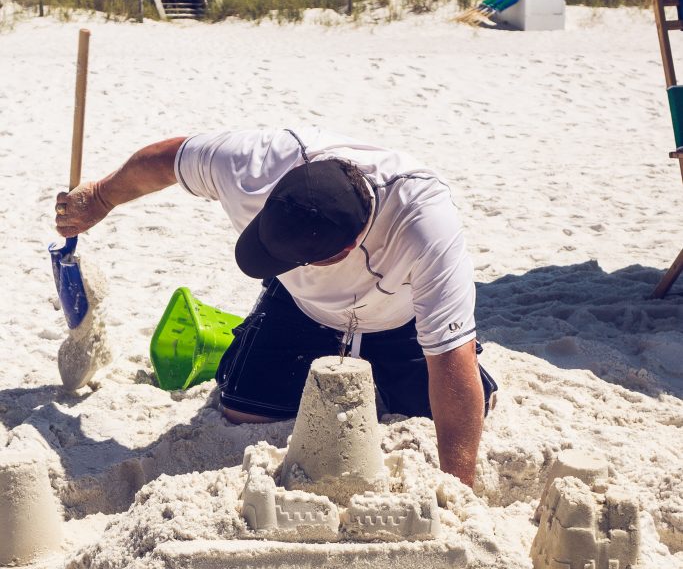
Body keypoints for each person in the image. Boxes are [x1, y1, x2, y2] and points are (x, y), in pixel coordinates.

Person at [55, 125, 496, 488]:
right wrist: (99, 197)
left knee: (461, 409)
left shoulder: (424, 223)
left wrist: (457, 491)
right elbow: (165, 160)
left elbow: (449, 357)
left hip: (399, 319)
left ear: (344, 252)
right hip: (303, 305)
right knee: (242, 409)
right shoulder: (253, 164)